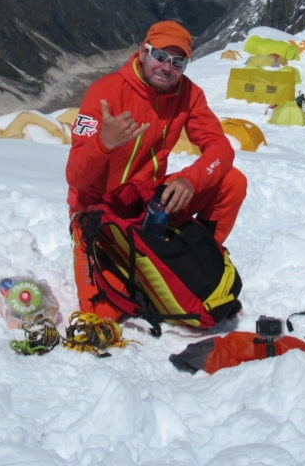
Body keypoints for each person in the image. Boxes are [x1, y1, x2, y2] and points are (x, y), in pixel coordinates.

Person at [66, 20, 248, 319]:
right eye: (160, 56)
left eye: (178, 62)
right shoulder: (105, 93)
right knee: (103, 314)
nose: (167, 67)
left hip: (148, 205)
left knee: (231, 182)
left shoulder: (188, 94)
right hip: (97, 214)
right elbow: (75, 178)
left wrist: (191, 178)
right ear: (142, 52)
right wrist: (104, 144)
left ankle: (197, 256)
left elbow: (220, 148)